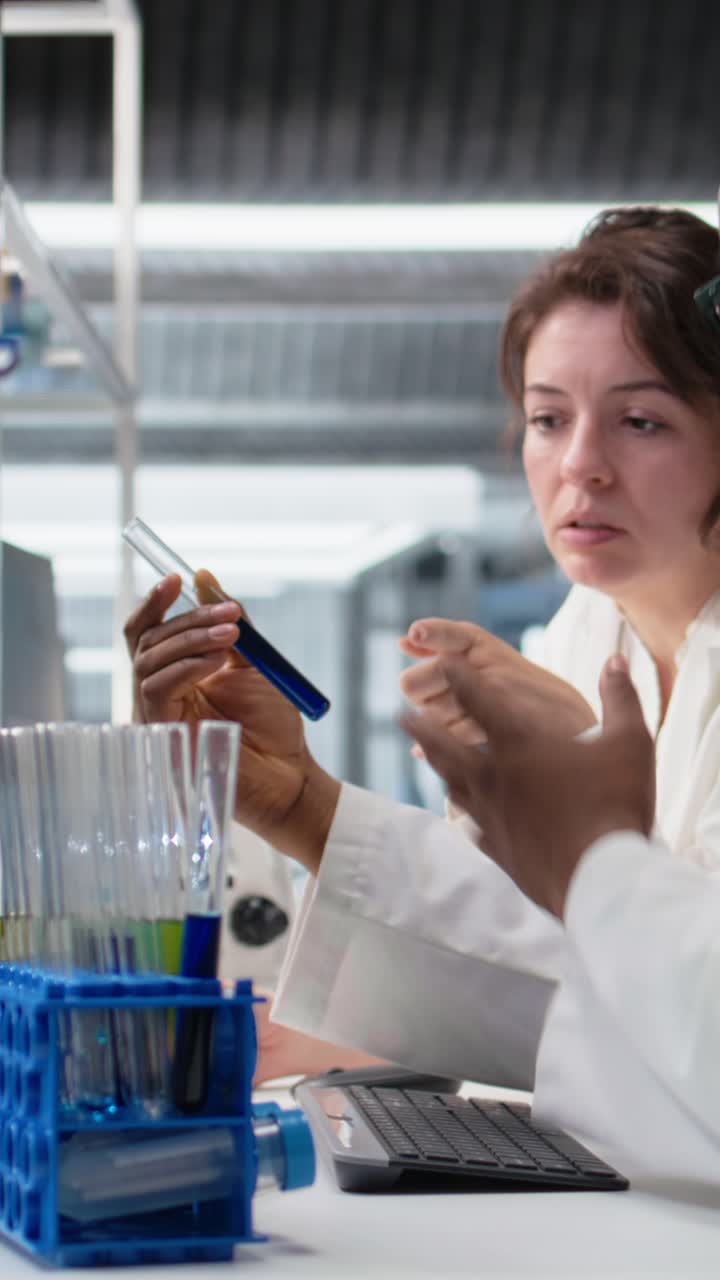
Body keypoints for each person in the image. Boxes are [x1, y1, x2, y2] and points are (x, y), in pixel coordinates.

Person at [125, 205, 720, 1181]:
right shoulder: (582, 633)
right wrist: (297, 802)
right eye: (547, 417)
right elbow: (557, 971)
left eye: (641, 418)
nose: (581, 465)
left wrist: (585, 848)